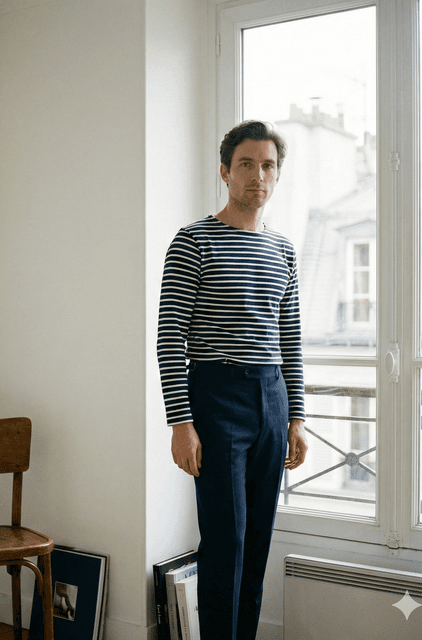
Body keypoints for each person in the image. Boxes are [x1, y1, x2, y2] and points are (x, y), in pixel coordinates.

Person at [157, 120, 309, 640]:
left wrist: (297, 417)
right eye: (246, 164)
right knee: (227, 542)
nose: (257, 175)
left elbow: (290, 338)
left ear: (277, 175)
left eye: (268, 165)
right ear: (225, 172)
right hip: (217, 398)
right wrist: (181, 423)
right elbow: (170, 338)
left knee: (258, 542)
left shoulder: (284, 250)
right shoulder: (193, 241)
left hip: (272, 398)